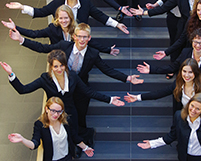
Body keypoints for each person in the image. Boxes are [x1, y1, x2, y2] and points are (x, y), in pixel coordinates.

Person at [8, 23, 143, 129]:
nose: (82, 39)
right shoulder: (63, 46)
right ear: (74, 36)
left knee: (80, 115)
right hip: (61, 86)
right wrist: (21, 40)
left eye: (85, 37)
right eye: (79, 36)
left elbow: (107, 70)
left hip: (80, 86)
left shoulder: (93, 54)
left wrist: (127, 78)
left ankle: (80, 138)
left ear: (89, 38)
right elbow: (43, 48)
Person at [6, 0, 129, 35]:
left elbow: (100, 16)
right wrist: (22, 7)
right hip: (62, 40)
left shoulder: (85, 3)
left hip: (79, 39)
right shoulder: (57, 3)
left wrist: (117, 24)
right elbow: (40, 12)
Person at [2, 5, 119, 55]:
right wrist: (15, 27)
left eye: (66, 18)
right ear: (57, 18)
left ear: (70, 17)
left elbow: (90, 41)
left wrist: (107, 50)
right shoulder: (52, 28)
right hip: (59, 58)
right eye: (61, 18)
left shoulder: (76, 28)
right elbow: (35, 34)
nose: (63, 21)